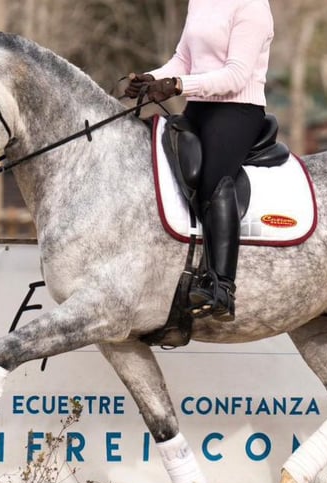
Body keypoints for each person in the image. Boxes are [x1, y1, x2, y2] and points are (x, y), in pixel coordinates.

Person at [125, 0, 274, 322]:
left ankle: (222, 286)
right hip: (199, 108)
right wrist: (153, 78)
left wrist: (179, 85)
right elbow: (184, 59)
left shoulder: (252, 7)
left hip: (237, 109)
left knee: (212, 182)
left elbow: (235, 75)